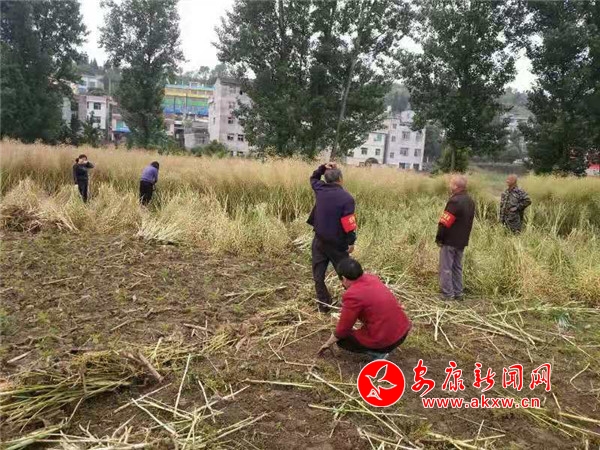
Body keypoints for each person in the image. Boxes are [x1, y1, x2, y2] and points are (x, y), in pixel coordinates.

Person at [317, 258, 412, 361]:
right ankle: (384, 346)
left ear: (344, 278)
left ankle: (379, 353)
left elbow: (342, 330)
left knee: (342, 340)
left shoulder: (352, 295)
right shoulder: (372, 278)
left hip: (386, 341)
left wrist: (328, 343)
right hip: (403, 331)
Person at [307, 162, 357, 313]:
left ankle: (324, 305)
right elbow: (348, 222)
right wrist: (351, 242)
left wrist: (323, 167)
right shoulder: (347, 198)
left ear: (326, 179)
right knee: (347, 274)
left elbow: (313, 177)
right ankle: (355, 303)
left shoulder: (320, 189)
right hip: (337, 244)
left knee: (318, 275)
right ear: (340, 179)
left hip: (319, 240)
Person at [436, 175, 475, 301]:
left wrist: (439, 237)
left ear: (456, 186)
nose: (449, 185)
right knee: (457, 267)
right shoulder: (470, 201)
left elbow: (445, 222)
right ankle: (458, 292)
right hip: (462, 240)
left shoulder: (454, 201)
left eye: (451, 183)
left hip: (450, 240)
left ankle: (447, 294)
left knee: (446, 267)